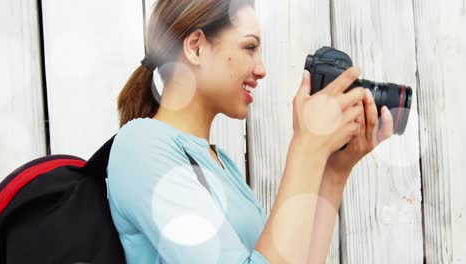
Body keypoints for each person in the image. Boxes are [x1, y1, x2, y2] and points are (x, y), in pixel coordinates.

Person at [107, 0, 394, 263]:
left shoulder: (221, 165)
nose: (261, 68)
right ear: (196, 47)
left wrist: (334, 171)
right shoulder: (142, 146)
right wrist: (307, 146)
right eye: (249, 47)